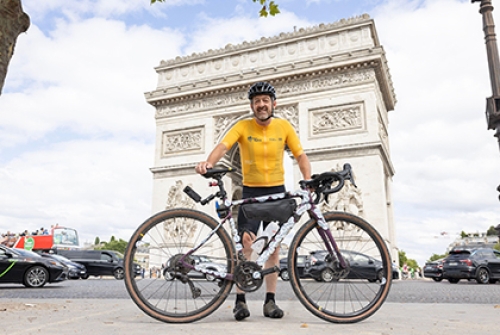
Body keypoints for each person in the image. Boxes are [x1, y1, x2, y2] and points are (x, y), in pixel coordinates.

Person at [195, 81, 311, 321]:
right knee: (247, 246)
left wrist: (308, 179)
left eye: (265, 100)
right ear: (252, 106)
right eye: (257, 101)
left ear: (273, 104)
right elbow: (223, 146)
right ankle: (240, 301)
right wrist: (208, 162)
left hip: (277, 192)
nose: (261, 105)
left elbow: (300, 155)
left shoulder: (284, 127)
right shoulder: (242, 126)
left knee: (273, 249)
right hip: (250, 192)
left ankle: (270, 301)